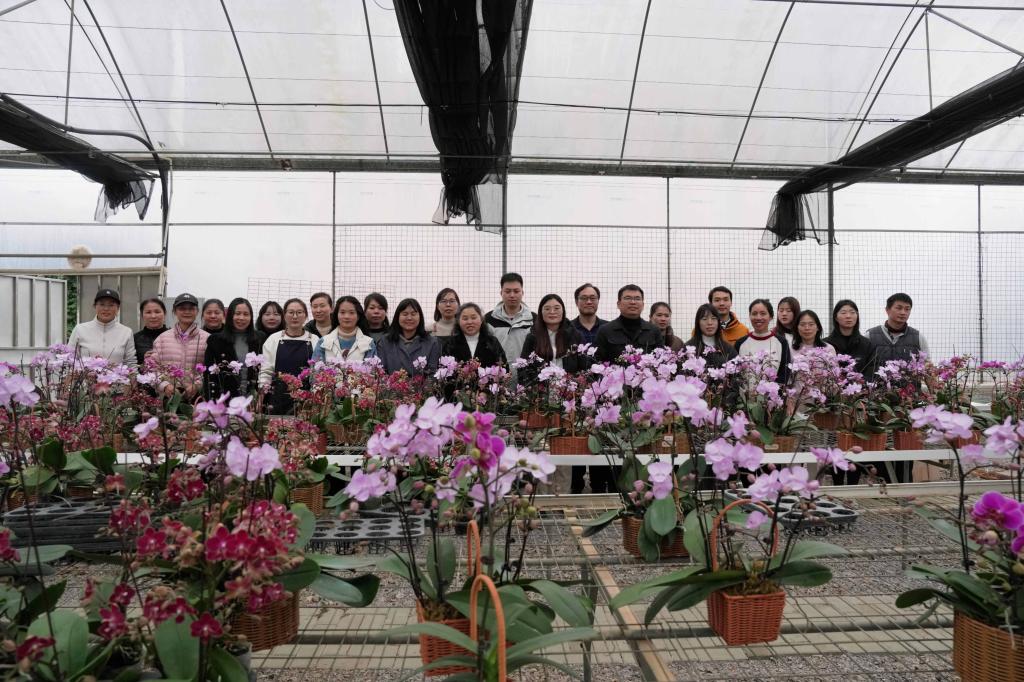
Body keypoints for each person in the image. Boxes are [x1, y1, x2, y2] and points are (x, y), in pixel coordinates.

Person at [520, 294, 591, 495]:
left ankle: (562, 496)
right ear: (540, 312)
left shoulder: (574, 335)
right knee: (541, 449)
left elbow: (583, 366)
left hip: (567, 399)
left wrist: (575, 386)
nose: (552, 312)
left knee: (563, 447)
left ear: (563, 310)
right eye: (547, 308)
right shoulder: (533, 336)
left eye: (556, 308)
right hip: (541, 400)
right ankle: (543, 497)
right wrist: (534, 390)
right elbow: (524, 368)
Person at [259, 298, 315, 415]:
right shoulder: (273, 339)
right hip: (277, 398)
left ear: (305, 316)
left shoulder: (314, 340)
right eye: (291, 312)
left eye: (299, 312)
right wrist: (261, 397)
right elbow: (266, 371)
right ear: (284, 315)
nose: (295, 316)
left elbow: (317, 374)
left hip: (305, 400)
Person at [204, 297, 266, 398]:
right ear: (230, 316)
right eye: (237, 313)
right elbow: (209, 376)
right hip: (226, 399)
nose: (241, 318)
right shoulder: (215, 340)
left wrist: (260, 397)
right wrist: (213, 401)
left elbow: (265, 370)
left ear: (251, 317)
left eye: (246, 314)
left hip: (253, 399)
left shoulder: (260, 338)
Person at [152, 293, 210, 397]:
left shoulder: (207, 339)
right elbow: (152, 368)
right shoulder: (162, 339)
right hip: (168, 398)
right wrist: (165, 386)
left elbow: (211, 369)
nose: (187, 312)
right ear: (174, 311)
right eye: (182, 308)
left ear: (197, 311)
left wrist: (197, 385)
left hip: (197, 398)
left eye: (191, 308)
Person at [68, 288, 138, 369]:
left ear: (118, 308)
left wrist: (133, 376)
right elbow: (69, 359)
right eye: (102, 304)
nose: (106, 309)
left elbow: (130, 362)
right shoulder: (80, 329)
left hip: (116, 377)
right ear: (95, 306)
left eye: (111, 305)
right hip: (85, 377)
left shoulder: (126, 332)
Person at [594, 285, 665, 362]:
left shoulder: (654, 331)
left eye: (637, 299)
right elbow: (597, 361)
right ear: (618, 304)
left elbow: (661, 360)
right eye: (627, 298)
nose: (633, 302)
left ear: (643, 305)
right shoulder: (605, 331)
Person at [484, 273, 536, 373]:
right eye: (507, 291)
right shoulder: (489, 319)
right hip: (498, 375)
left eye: (516, 291)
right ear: (501, 292)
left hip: (526, 376)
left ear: (522, 292)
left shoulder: (533, 319)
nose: (512, 295)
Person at [376, 298, 442, 376]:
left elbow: (432, 373)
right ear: (397, 317)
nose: (409, 318)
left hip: (422, 384)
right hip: (391, 384)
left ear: (420, 317)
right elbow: (381, 373)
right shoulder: (385, 342)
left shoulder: (432, 342)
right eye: (405, 314)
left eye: (413, 314)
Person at [734, 298, 791, 384]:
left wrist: (772, 390)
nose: (758, 317)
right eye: (754, 314)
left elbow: (784, 374)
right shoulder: (740, 343)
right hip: (746, 392)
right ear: (749, 316)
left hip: (773, 392)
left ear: (771, 317)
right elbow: (736, 374)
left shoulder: (781, 342)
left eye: (763, 313)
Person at [867, 293, 930, 365]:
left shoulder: (918, 337)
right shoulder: (870, 336)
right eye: (899, 308)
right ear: (887, 310)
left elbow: (927, 365)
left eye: (907, 309)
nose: (903, 312)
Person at [313, 296, 376, 363]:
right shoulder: (323, 342)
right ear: (337, 315)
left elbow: (372, 368)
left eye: (351, 312)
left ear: (358, 316)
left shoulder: (369, 343)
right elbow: (315, 367)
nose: (346, 316)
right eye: (342, 312)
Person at [442, 303, 507, 367]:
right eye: (465, 319)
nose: (469, 322)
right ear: (458, 321)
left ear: (481, 320)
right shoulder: (451, 343)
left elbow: (503, 367)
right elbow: (443, 368)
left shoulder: (492, 342)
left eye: (473, 318)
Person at [825, 299, 876, 376]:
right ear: (836, 317)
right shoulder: (826, 344)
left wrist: (859, 382)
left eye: (852, 312)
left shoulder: (867, 344)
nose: (848, 316)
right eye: (843, 313)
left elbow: (872, 369)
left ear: (857, 316)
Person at [685, 303, 738, 370]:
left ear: (718, 322)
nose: (710, 323)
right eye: (704, 319)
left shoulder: (728, 349)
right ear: (698, 323)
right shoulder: (688, 348)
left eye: (713, 318)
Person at [134, 298, 167, 366]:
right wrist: (143, 360)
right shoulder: (134, 339)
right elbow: (130, 364)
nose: (153, 316)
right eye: (148, 312)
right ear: (142, 315)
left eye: (157, 312)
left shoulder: (175, 336)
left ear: (165, 313)